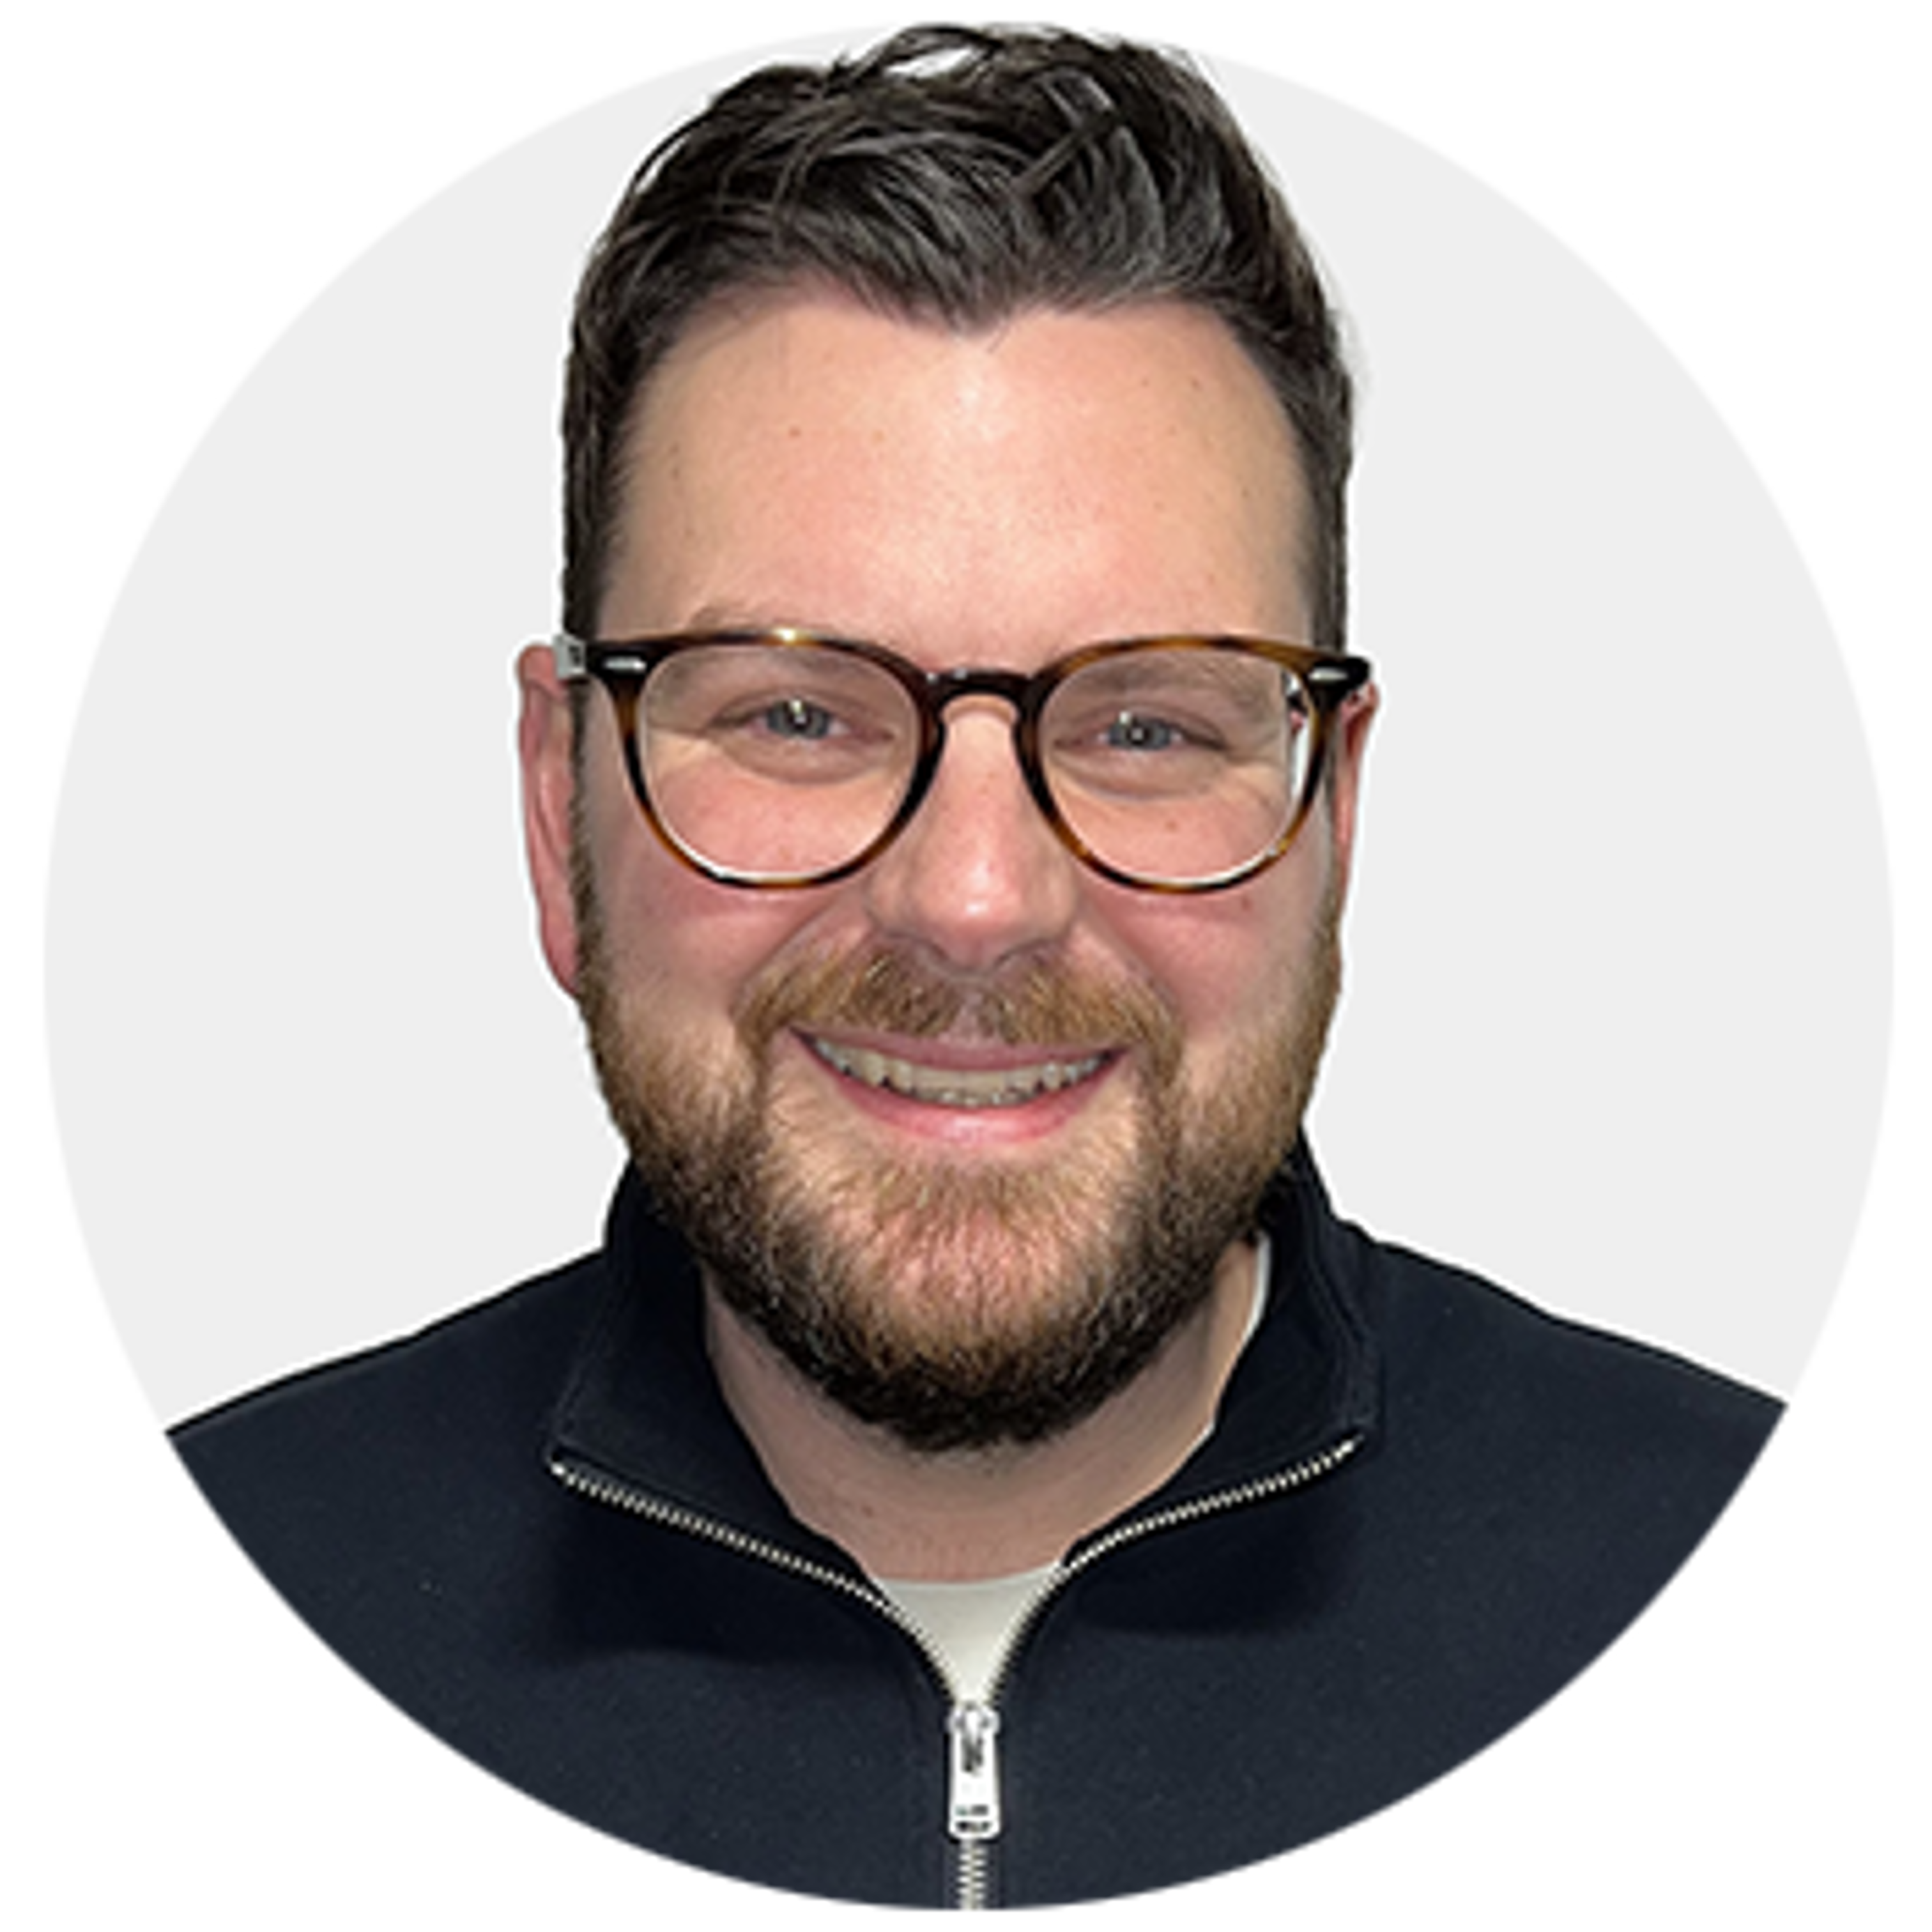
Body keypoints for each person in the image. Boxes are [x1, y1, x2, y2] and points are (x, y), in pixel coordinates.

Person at [160, 24, 1793, 1913]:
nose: (974, 896)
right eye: (796, 711)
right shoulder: (262, 1561)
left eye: (1148, 728)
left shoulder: (1684, 1547)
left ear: (1331, 811)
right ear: (560, 806)